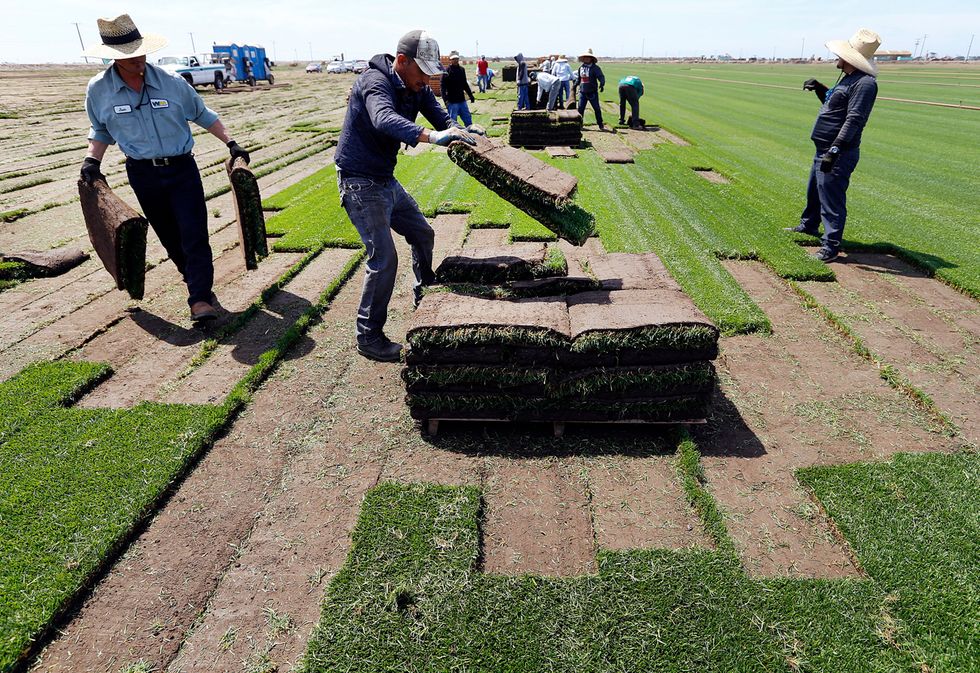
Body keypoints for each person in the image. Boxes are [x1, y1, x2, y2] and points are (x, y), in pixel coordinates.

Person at [80, 14, 250, 322]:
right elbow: (100, 129)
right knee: (169, 236)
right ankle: (195, 280)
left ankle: (199, 298)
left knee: (194, 232)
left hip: (182, 169)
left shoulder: (171, 82)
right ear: (114, 57)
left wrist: (231, 143)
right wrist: (93, 161)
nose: (138, 59)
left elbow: (202, 114)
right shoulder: (99, 90)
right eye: (129, 55)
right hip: (142, 174)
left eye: (140, 51)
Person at [334, 30, 478, 362]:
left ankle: (424, 291)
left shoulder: (417, 86)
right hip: (360, 183)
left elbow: (437, 113)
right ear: (402, 61)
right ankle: (368, 337)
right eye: (423, 71)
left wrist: (460, 129)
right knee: (384, 259)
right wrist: (432, 137)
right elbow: (384, 119)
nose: (428, 79)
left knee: (422, 232)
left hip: (384, 179)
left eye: (432, 72)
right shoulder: (376, 81)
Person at [785, 29, 881, 263]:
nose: (837, 57)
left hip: (838, 152)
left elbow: (855, 119)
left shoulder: (865, 84)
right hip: (824, 149)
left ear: (849, 58)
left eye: (841, 54)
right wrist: (820, 88)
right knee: (815, 192)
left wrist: (835, 149)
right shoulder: (848, 79)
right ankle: (808, 225)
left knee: (831, 199)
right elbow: (835, 104)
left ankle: (831, 246)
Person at [441, 51, 476, 126]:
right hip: (452, 101)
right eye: (453, 59)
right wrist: (445, 101)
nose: (455, 60)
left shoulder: (462, 70)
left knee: (468, 118)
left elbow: (465, 84)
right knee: (453, 122)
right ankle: (454, 136)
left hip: (462, 100)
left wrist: (471, 95)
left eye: (456, 59)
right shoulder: (446, 71)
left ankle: (471, 133)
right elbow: (442, 87)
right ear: (450, 60)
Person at [575, 48, 605, 129]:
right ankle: (579, 124)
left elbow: (601, 77)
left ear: (591, 58)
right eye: (585, 57)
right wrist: (575, 85)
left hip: (592, 93)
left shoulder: (595, 68)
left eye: (588, 57)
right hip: (582, 92)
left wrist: (602, 84)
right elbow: (579, 79)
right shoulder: (581, 68)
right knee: (580, 109)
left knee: (597, 109)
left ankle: (600, 124)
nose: (586, 58)